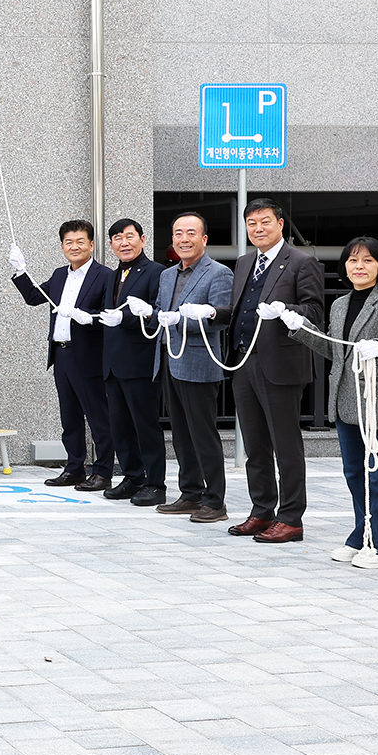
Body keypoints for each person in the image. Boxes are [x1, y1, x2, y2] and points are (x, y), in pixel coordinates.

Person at [188, 197, 323, 544]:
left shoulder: (302, 262)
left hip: (280, 365)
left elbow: (314, 312)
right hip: (243, 362)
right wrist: (211, 313)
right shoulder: (245, 261)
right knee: (255, 445)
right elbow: (238, 310)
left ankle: (291, 518)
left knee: (285, 445)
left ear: (280, 224)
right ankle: (262, 510)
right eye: (251, 223)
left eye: (265, 222)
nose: (258, 229)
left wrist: (285, 309)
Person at [286, 236, 378, 567]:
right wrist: (300, 328)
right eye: (353, 260)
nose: (359, 266)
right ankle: (362, 535)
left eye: (367, 260)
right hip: (346, 402)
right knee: (355, 474)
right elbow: (336, 351)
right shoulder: (340, 305)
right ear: (345, 266)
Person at [137, 213, 234, 523]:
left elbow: (219, 320)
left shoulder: (219, 273)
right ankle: (190, 493)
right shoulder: (167, 275)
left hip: (198, 362)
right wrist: (150, 314)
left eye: (191, 233)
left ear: (204, 239)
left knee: (202, 434)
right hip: (168, 359)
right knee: (180, 433)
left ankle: (215, 501)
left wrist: (183, 319)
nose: (184, 239)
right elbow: (162, 313)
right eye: (178, 233)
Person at [9, 221, 113, 492]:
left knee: (98, 417)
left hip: (89, 356)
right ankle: (74, 468)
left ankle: (103, 472)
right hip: (61, 354)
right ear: (62, 247)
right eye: (69, 242)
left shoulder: (104, 276)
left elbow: (110, 315)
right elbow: (34, 297)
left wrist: (87, 317)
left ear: (91, 245)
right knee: (70, 417)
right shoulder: (58, 275)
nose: (74, 247)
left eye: (80, 241)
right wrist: (20, 271)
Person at [94, 219, 166, 505]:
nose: (123, 243)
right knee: (120, 426)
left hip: (139, 362)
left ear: (142, 240)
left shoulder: (156, 272)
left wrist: (124, 318)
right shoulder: (112, 275)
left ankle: (155, 483)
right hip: (113, 363)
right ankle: (132, 477)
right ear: (111, 244)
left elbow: (157, 313)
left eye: (129, 236)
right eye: (117, 238)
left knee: (145, 425)